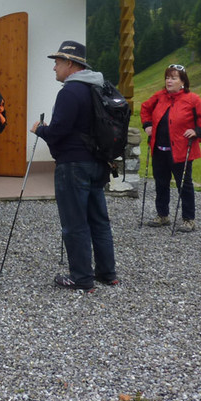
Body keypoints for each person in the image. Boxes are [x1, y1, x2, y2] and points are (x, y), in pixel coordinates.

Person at [31, 40, 118, 292]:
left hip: (73, 164)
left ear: (70, 64)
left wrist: (40, 130)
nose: (54, 68)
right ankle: (107, 274)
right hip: (97, 162)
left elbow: (59, 131)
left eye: (57, 63)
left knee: (75, 223)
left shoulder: (70, 92)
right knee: (99, 220)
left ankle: (81, 278)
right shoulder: (98, 87)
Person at [139, 64, 201, 232]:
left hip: (181, 151)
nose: (169, 81)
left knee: (184, 185)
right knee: (161, 183)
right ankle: (163, 215)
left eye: (174, 78)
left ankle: (188, 219)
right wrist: (147, 125)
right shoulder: (159, 96)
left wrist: (197, 131)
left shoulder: (192, 99)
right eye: (167, 77)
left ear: (183, 82)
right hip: (159, 149)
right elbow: (145, 108)